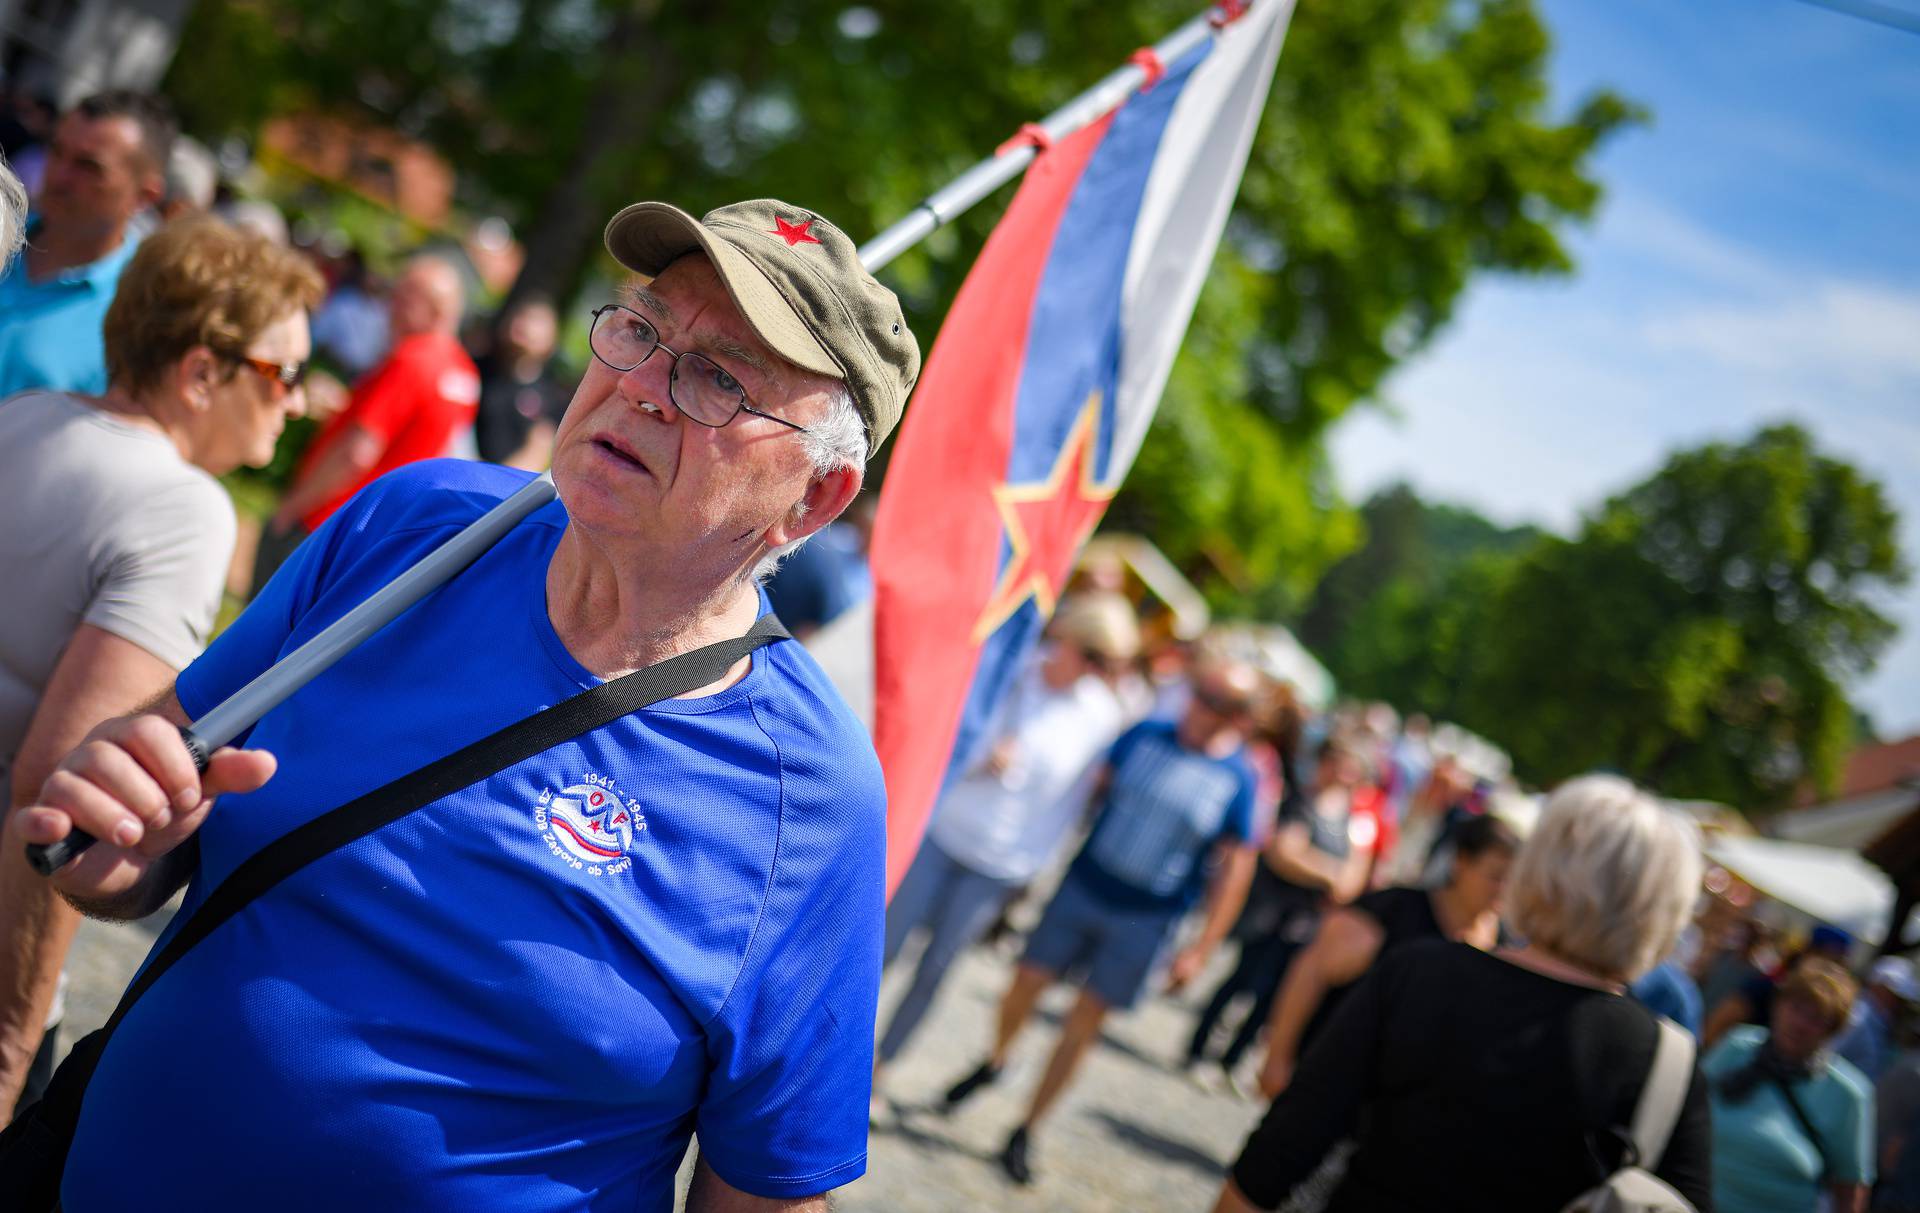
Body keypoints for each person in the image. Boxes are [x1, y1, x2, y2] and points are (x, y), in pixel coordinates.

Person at [11, 197, 921, 1211]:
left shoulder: (811, 798)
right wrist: (121, 848)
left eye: (720, 380)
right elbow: (149, 841)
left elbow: (766, 1192)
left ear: (816, 498)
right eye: (643, 329)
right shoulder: (417, 526)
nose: (643, 387)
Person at [0, 215, 324, 1112]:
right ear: (201, 373)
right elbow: (59, 797)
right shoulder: (183, 510)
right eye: (282, 373)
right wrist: (12, 1038)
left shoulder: (28, 414)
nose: (296, 402)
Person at [1214, 774, 1713, 1212]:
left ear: (1537, 869)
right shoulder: (1665, 1062)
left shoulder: (1424, 973)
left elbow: (1287, 1142)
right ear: (1667, 912)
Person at [941, 657, 1263, 1185]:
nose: (1202, 708)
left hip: (1148, 917)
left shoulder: (1238, 781)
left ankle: (1026, 1127)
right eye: (1200, 693)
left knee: (1083, 1024)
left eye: (1218, 702)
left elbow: (1235, 870)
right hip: (1085, 885)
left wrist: (1202, 948)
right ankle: (999, 1061)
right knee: (1023, 986)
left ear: (1241, 718)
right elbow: (1082, 795)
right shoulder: (1144, 736)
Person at [872, 592, 1139, 1112]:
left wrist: (1033, 866)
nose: (1092, 670)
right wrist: (978, 758)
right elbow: (946, 732)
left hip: (1000, 862)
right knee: (882, 947)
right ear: (1066, 639)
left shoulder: (1102, 716)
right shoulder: (1011, 670)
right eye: (1089, 655)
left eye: (1103, 663)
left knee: (937, 970)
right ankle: (823, 1054)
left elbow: (1071, 803)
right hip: (945, 829)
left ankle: (880, 1070)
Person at [1255, 812, 1517, 1100]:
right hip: (1329, 1082)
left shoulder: (1507, 951)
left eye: (1514, 880)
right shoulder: (1392, 910)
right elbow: (1311, 972)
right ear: (1461, 863)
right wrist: (1278, 1058)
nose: (1503, 890)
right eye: (1495, 876)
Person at [258, 253, 479, 583]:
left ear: (435, 310)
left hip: (328, 520)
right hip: (376, 535)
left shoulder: (411, 360)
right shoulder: (466, 377)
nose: (391, 303)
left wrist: (294, 506)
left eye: (404, 295)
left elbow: (358, 452)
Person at [1185, 734, 1370, 1089]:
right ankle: (1198, 1050)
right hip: (1270, 911)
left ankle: (1232, 1060)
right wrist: (1328, 872)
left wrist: (1315, 866)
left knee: (1274, 995)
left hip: (1306, 922)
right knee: (1241, 980)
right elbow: (1283, 853)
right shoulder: (1298, 800)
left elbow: (1351, 879)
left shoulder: (1354, 821)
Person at [0, 91, 175, 398]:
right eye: (56, 151)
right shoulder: (4, 232)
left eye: (88, 166)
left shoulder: (139, 316)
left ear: (145, 196)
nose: (59, 176)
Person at [1706, 957, 1874, 1213]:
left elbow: (1850, 1187)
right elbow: (1688, 1112)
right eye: (1796, 1008)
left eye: (1817, 1018)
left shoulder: (1848, 1094)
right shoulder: (1738, 1046)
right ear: (1778, 1005)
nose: (1800, 1024)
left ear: (1833, 1030)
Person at [1705, 924, 1854, 1048]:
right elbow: (1721, 1021)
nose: (1801, 1023)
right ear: (1810, 951)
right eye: (1796, 1008)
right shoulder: (1766, 987)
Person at [471, 295, 573, 468]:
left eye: (536, 321)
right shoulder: (475, 370)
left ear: (551, 338)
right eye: (521, 316)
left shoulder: (551, 398)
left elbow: (536, 454)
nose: (524, 324)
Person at [1834, 956, 1919, 1083]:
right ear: (1877, 986)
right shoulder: (1858, 1015)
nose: (1898, 1004)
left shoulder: (1875, 1023)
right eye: (1894, 995)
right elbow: (1829, 1053)